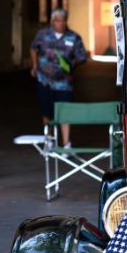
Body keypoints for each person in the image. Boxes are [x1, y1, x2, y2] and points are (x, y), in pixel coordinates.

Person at [30, 8, 88, 148]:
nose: (61, 24)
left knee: (65, 111)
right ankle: (49, 139)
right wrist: (34, 66)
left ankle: (66, 143)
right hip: (44, 80)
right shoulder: (42, 35)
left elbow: (82, 57)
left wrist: (72, 63)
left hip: (64, 83)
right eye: (58, 21)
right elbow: (33, 48)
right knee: (47, 111)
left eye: (63, 21)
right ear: (52, 21)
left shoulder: (74, 37)